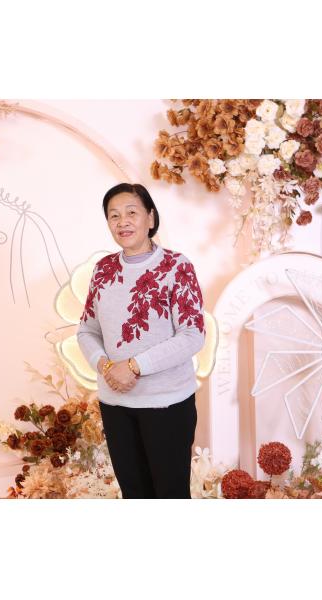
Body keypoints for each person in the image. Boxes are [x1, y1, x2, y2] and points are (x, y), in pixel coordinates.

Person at [76, 182, 206, 498]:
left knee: (171, 495)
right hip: (116, 405)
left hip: (167, 404)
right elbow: (87, 330)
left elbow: (192, 335)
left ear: (150, 217)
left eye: (131, 212)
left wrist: (134, 366)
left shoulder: (176, 266)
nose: (123, 222)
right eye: (114, 215)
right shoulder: (103, 270)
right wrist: (107, 366)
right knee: (134, 494)